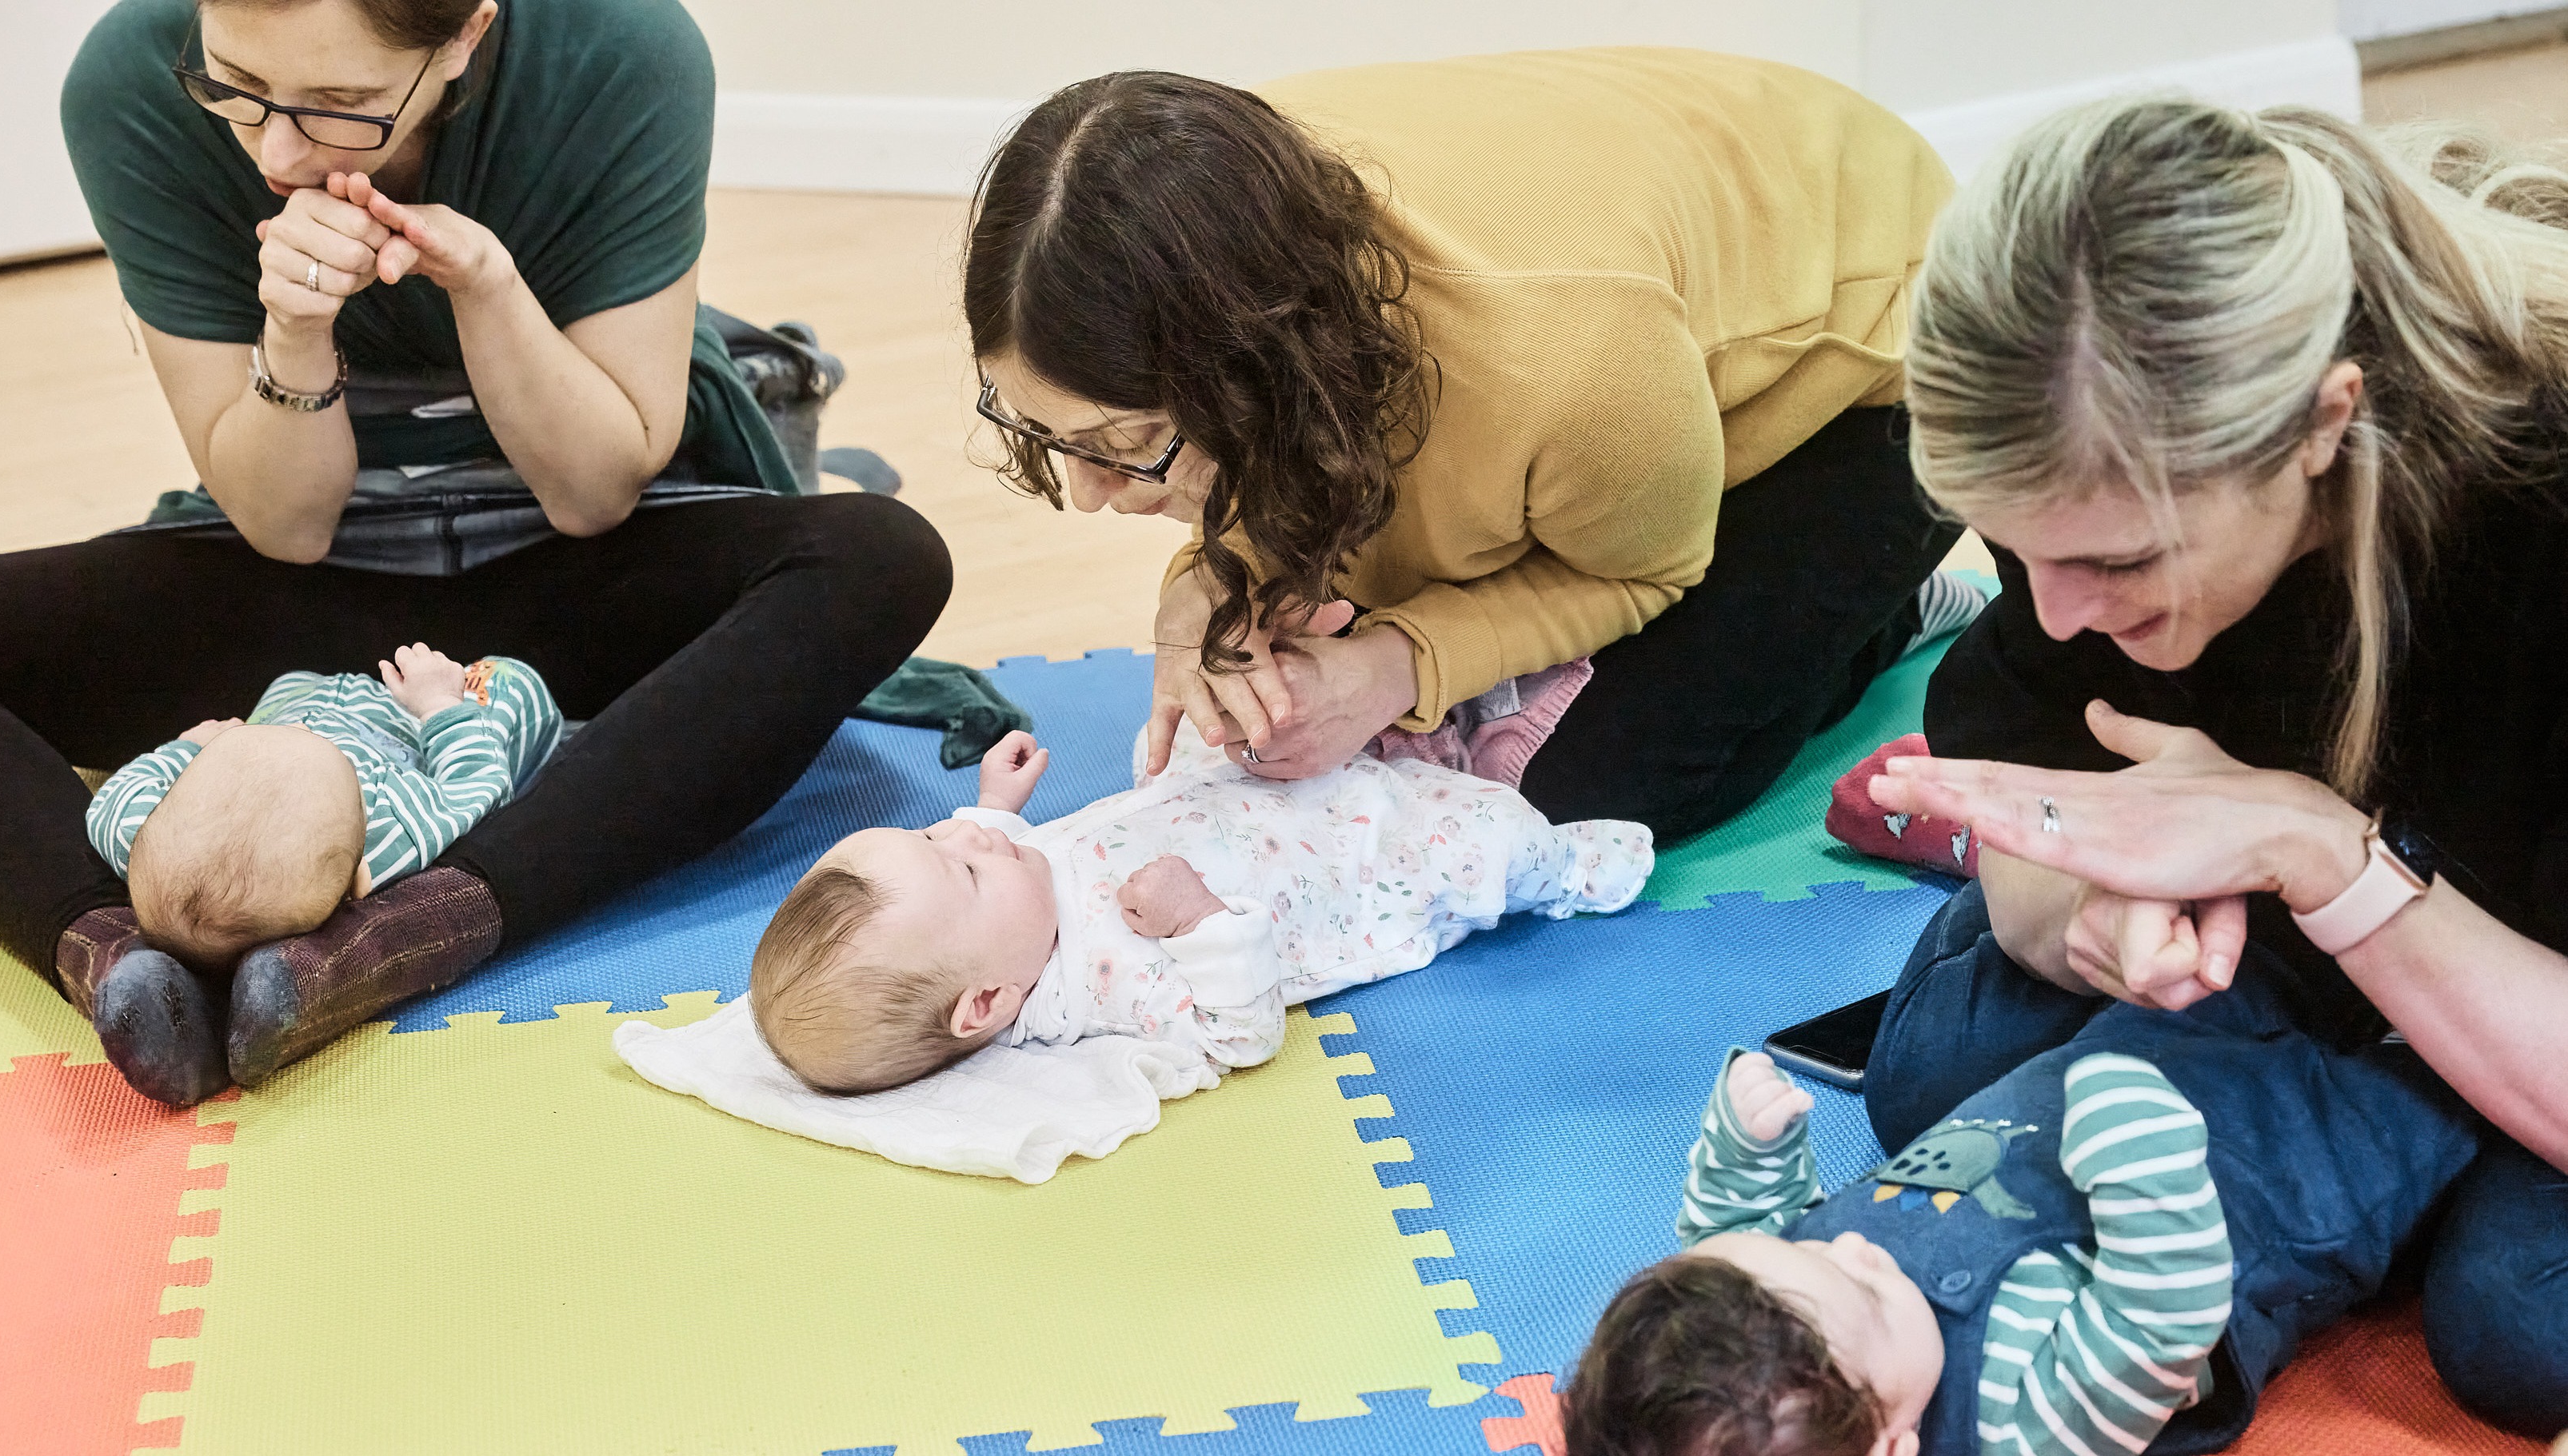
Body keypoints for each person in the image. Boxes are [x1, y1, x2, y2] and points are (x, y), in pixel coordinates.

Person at [0, 0, 949, 1107]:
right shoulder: (128, 80)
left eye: (341, 106)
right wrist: (293, 337)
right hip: (311, 581)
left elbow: (594, 492)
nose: (279, 154)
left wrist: (489, 289)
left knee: (882, 557)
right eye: (237, 88)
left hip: (566, 570)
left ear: (466, 35)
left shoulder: (622, 52)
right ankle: (114, 952)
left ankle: (424, 926)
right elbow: (283, 527)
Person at [1863, 96, 2568, 1434]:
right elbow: (2021, 780)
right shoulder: (2090, 483)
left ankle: (2403, 1141)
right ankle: (2388, 1136)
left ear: (2321, 424)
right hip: (2372, 913)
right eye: (2019, 551)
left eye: (2120, 564)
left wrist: (2308, 848)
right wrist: (2096, 921)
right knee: (1932, 1077)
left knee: (2524, 1318)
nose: (2059, 613)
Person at [959, 50, 1963, 840]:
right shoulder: (1207, 222)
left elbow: (1642, 576)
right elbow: (1323, 468)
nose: (1090, 495)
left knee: (1600, 786)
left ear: (1257, 368)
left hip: (1894, 357)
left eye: (1121, 445)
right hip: (1657, 294)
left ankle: (1886, 605)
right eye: (1045, 435)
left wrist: (1394, 667)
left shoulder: (1568, 364)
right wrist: (1211, 579)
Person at [1564, 975, 2478, 1456]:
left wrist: (1747, 1158)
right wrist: (2142, 1172)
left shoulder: (1806, 1321)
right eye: (1864, 1290)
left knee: (2259, 964)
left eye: (1802, 1250)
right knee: (2438, 1083)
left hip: (2125, 1058)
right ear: (1892, 1443)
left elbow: (1735, 1241)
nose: (1855, 1248)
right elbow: (2160, 1320)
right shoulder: (2013, 1428)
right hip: (2284, 1179)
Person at [748, 728, 1651, 1092]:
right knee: (1487, 845)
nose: (967, 840)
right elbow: (1241, 1035)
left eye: (934, 835)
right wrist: (1201, 926)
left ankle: (1392, 726)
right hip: (1349, 858)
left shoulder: (996, 914)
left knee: (1192, 722)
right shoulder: (1101, 993)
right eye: (964, 867)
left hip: (1224, 790)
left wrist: (992, 810)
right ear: (986, 1003)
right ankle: (1568, 868)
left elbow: (969, 863)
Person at [83, 645, 559, 1098]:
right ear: (358, 881)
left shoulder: (148, 843)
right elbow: (479, 786)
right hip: (406, 723)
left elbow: (113, 797)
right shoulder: (388, 836)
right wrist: (440, 705)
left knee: (288, 682)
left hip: (300, 700)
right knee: (511, 680)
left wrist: (190, 747)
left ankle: (194, 988)